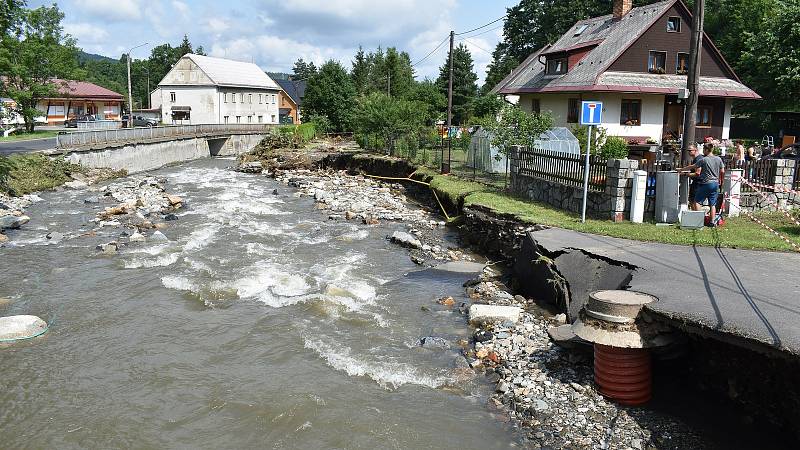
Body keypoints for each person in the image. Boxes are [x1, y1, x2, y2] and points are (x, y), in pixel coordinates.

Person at [681, 143, 725, 226]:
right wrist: (721, 180)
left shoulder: (704, 160)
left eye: (704, 150)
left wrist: (681, 169)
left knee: (697, 202)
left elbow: (692, 166)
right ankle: (712, 222)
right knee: (713, 204)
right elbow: (722, 171)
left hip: (706, 183)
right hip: (715, 183)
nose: (703, 151)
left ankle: (699, 222)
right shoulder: (718, 159)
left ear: (707, 150)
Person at [677, 143, 704, 210]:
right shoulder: (696, 159)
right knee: (692, 200)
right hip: (697, 183)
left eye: (690, 150)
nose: (689, 152)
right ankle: (694, 216)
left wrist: (685, 174)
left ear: (696, 150)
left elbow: (697, 173)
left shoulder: (698, 159)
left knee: (695, 201)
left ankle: (697, 217)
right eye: (688, 151)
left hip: (698, 183)